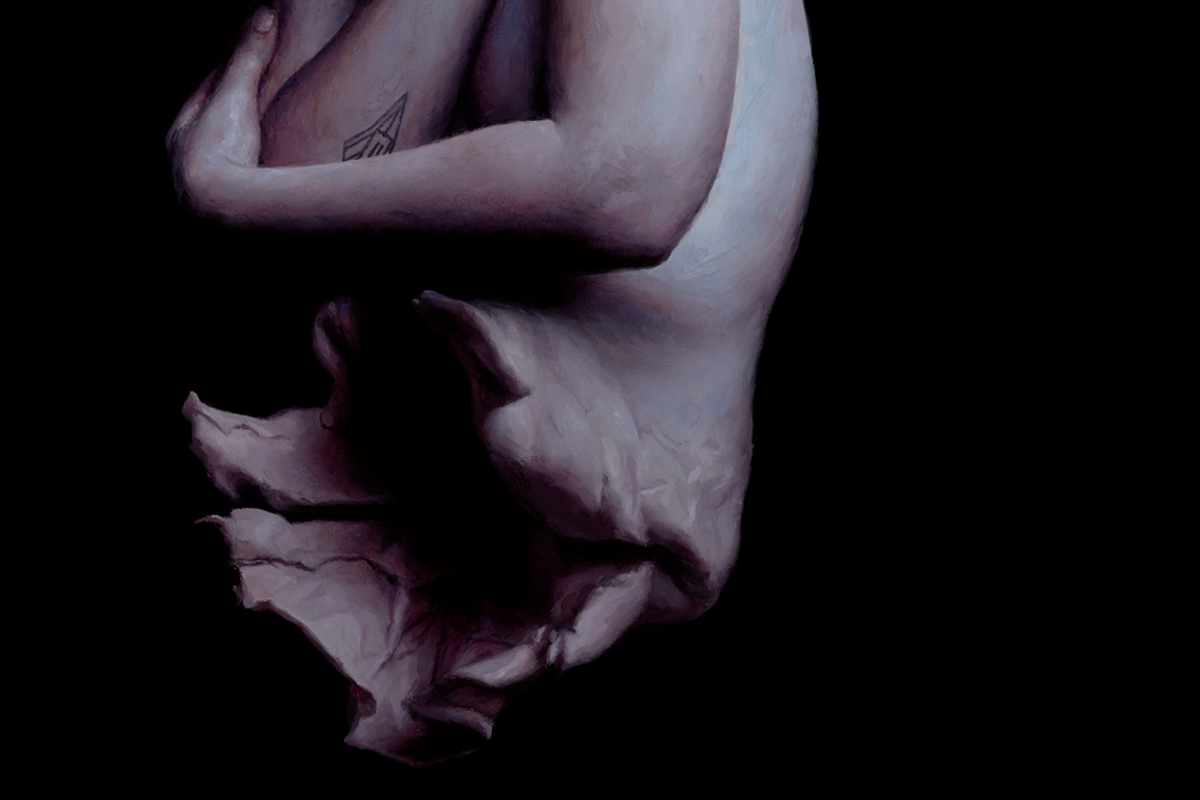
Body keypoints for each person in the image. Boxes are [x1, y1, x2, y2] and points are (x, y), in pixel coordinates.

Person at [172, 0, 817, 765]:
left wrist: (226, 198)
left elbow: (627, 189)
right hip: (447, 467)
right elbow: (304, 169)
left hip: (609, 502)